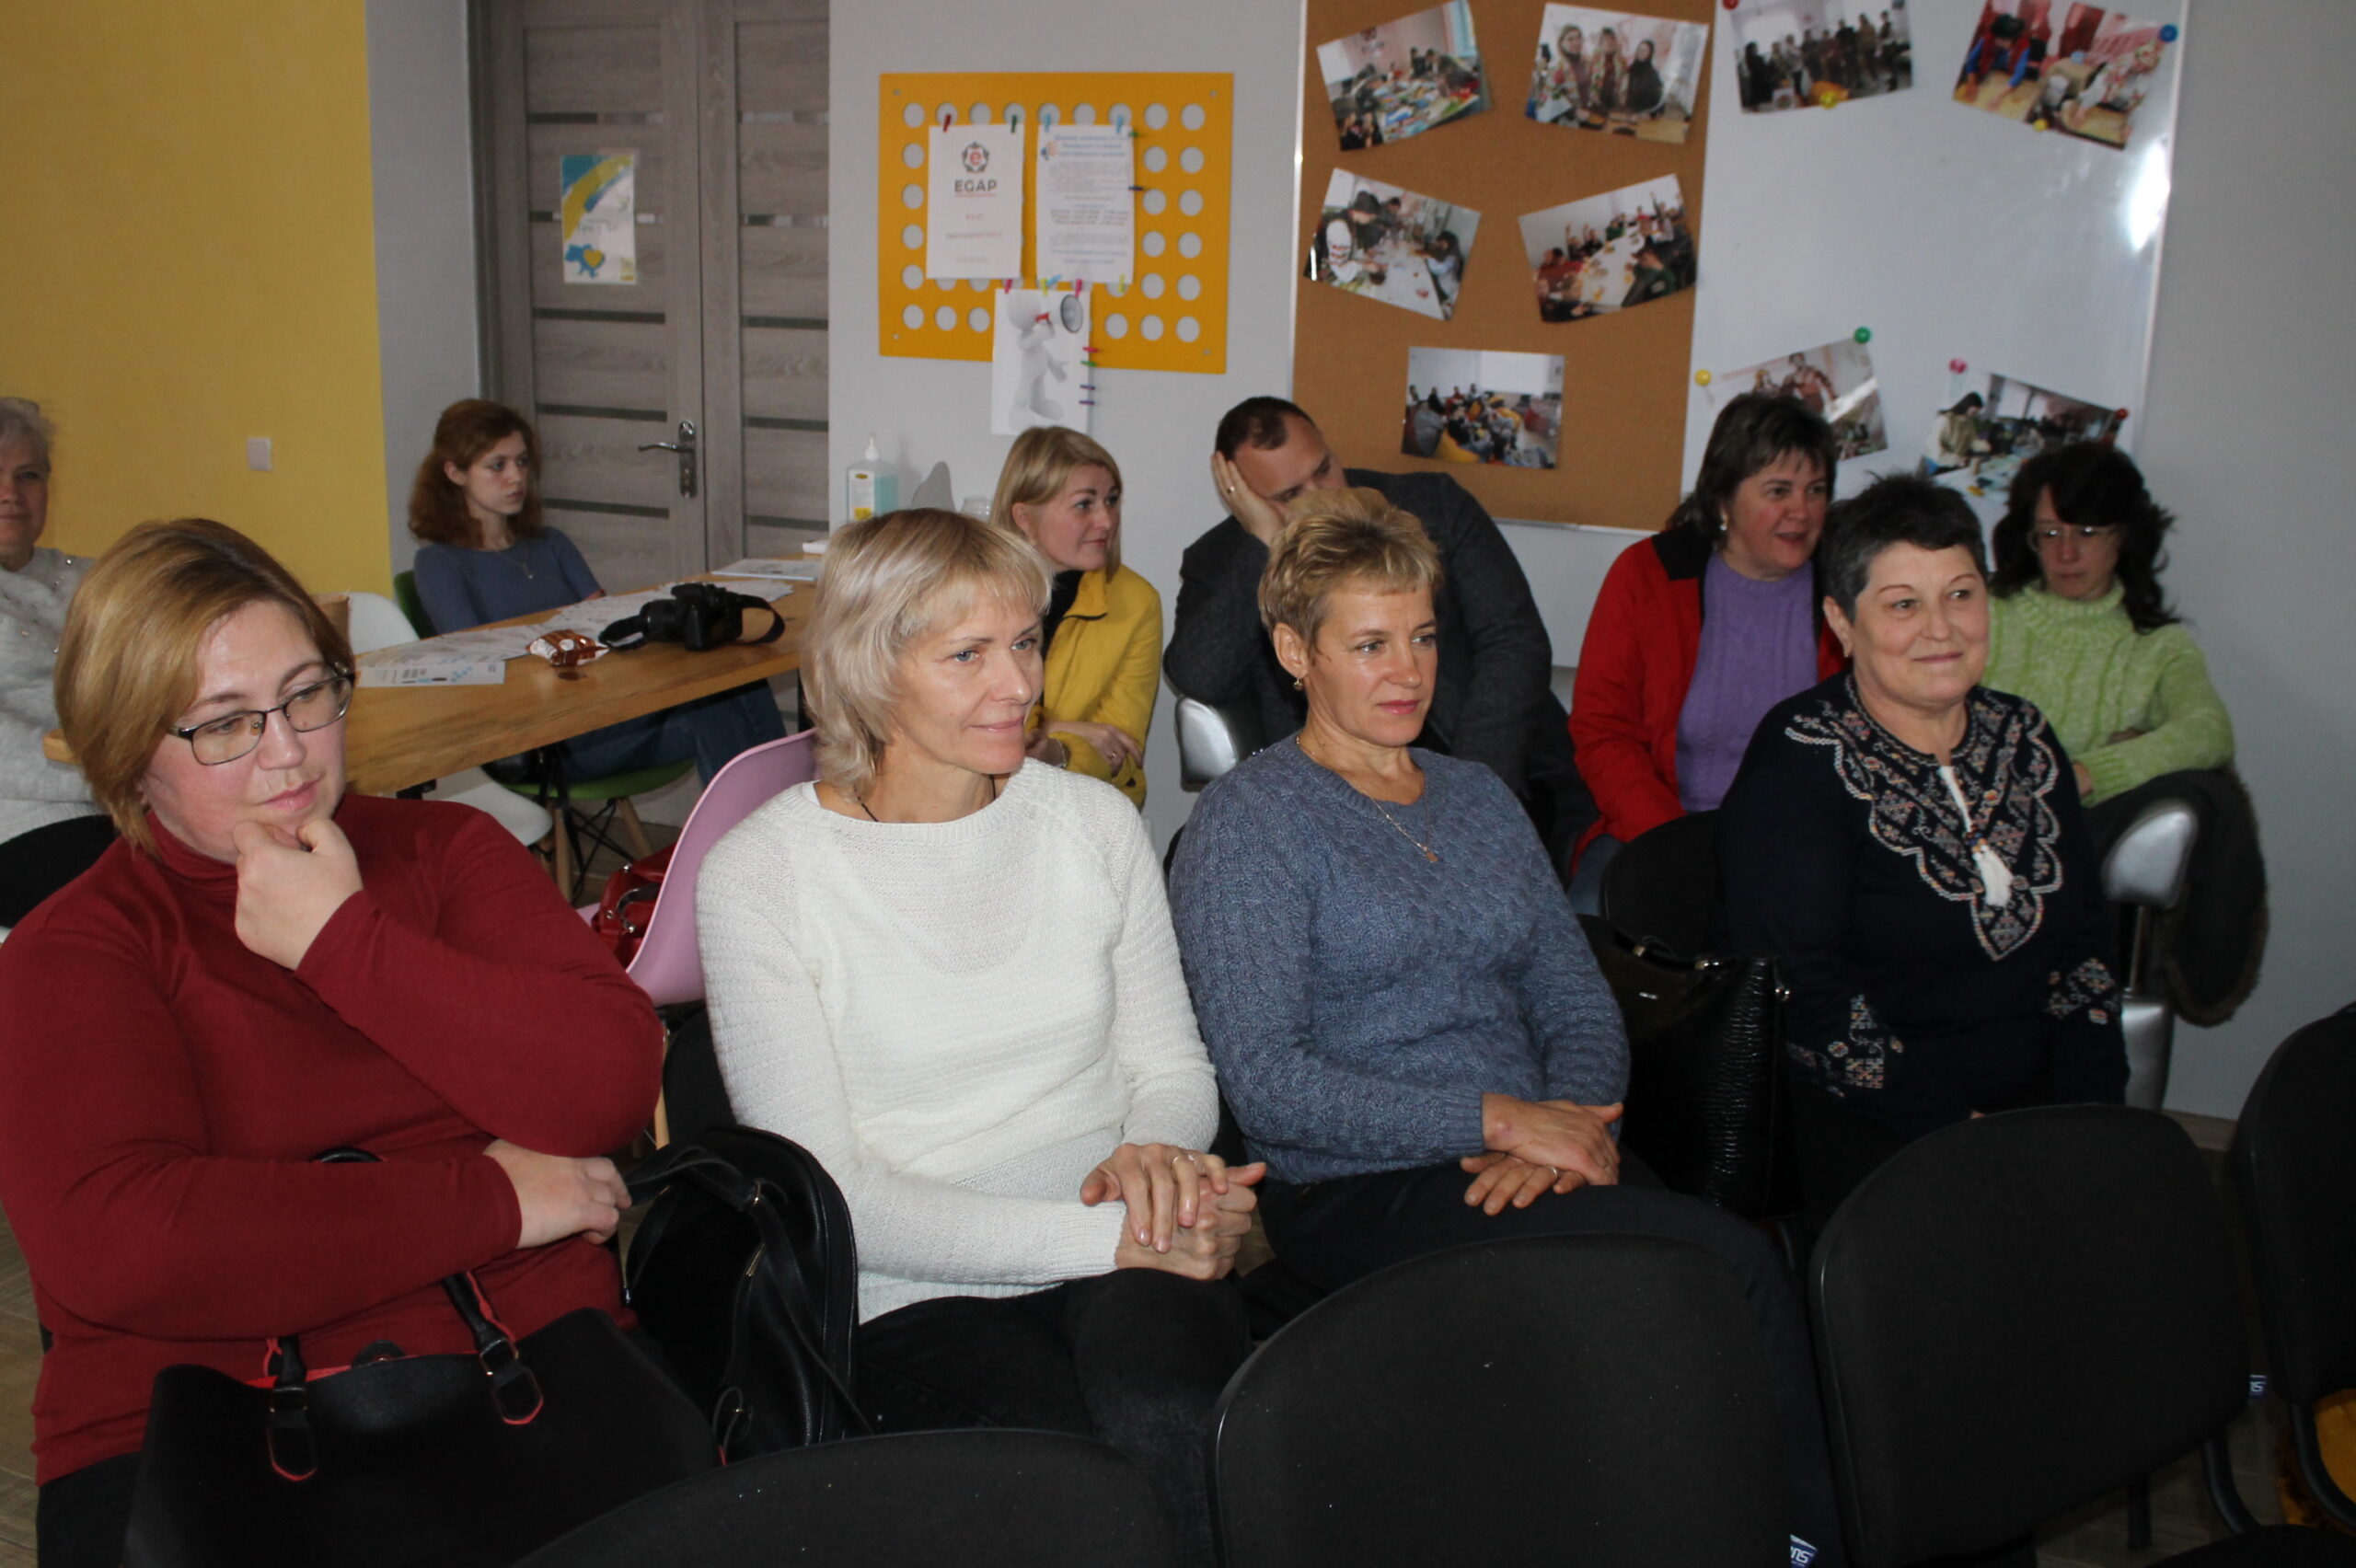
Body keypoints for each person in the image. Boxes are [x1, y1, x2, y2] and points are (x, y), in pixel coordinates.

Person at [1166, 489, 1845, 1566]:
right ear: (1295, 652)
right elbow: (1271, 1088)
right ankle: (1805, 1544)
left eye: (1423, 637)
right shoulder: (1251, 822)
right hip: (1359, 1181)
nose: (1407, 671)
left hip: (1536, 1148)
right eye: (1371, 645)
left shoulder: (1477, 796)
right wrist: (1497, 1119)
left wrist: (1566, 1117)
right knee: (1718, 1273)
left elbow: (1573, 994)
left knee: (1706, 1286)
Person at [0, 518, 659, 1568]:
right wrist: (493, 1200)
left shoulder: (448, 851)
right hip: (204, 1432)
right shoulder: (79, 946)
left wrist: (342, 942)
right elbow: (124, 1247)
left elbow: (608, 1085)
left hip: (532, 1376)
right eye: (226, 723)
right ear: (128, 753)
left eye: (308, 693)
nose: (289, 751)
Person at [697, 508, 1257, 1566]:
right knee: (1068, 1488)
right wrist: (1112, 1238)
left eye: (1025, 642)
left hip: (1122, 1225)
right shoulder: (763, 876)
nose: (1018, 686)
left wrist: (1158, 1161)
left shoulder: (1089, 824)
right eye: (967, 655)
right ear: (868, 670)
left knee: (1178, 1422)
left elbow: (1170, 1065)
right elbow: (836, 1199)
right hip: (910, 1280)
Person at [1720, 475, 2126, 1221]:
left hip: (2032, 1104)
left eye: (1961, 595)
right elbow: (1804, 998)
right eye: (1904, 604)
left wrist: (2088, 1116)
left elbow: (2085, 951)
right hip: (1871, 1116)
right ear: (1842, 621)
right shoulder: (1800, 759)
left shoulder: (2025, 738)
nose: (1942, 629)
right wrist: (1961, 1135)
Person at [1172, 397, 1588, 866]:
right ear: (1241, 494)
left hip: (1489, 766)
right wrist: (1267, 545)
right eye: (1290, 495)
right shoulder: (1222, 560)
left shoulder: (1434, 506)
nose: (1321, 494)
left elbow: (1514, 643)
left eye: (1323, 469)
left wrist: (1465, 791)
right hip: (1325, 803)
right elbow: (1200, 677)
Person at [1567, 394, 1847, 912]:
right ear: (1723, 499)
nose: (1802, 512)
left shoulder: (1847, 590)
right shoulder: (1648, 574)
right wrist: (1676, 842)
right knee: (1583, 925)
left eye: (1816, 491)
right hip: (1656, 827)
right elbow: (1603, 729)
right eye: (1779, 491)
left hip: (1800, 844)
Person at [408, 398, 783, 783]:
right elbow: (477, 661)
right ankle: (773, 819)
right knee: (711, 713)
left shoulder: (551, 542)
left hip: (603, 706)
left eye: (522, 461)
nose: (516, 477)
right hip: (543, 737)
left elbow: (606, 627)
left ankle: (788, 814)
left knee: (737, 684)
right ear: (455, 473)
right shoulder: (439, 563)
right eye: (497, 466)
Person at [1981, 442, 2232, 805]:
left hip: (2079, 833)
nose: (2066, 553)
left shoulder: (2157, 646)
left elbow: (2210, 732)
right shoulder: (1983, 614)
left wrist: (2091, 773)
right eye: (2050, 533)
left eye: (2087, 533)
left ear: (2124, 536)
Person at [988, 425, 1161, 807]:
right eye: (1085, 504)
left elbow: (1122, 748)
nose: (1107, 520)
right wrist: (1058, 727)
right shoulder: (977, 595)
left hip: (1085, 805)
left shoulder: (1135, 601)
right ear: (1024, 517)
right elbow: (954, 720)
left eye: (1112, 500)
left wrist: (1055, 749)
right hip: (985, 799)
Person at [0, 398, 112, 923]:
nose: (10, 494)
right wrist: (118, 781)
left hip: (121, 804)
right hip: (20, 822)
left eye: (28, 475)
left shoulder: (92, 579)